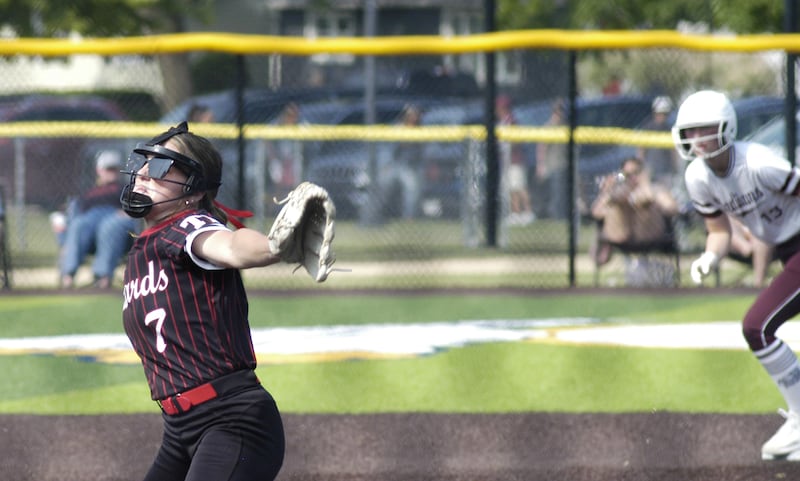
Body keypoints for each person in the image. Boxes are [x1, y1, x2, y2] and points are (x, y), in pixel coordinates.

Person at [119, 122, 285, 480]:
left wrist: (276, 245)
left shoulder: (189, 225)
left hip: (233, 421)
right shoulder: (142, 248)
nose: (145, 173)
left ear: (193, 189)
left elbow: (230, 245)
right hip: (179, 429)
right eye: (144, 162)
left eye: (162, 166)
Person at [673, 89, 800, 461]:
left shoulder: (759, 163)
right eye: (690, 132)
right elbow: (719, 232)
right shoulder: (697, 178)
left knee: (757, 326)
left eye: (705, 130)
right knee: (759, 327)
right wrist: (710, 259)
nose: (697, 140)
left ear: (727, 128)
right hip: (786, 251)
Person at [54, 150, 138, 289]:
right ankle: (67, 277)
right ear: (99, 170)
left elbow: (136, 210)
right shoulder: (89, 193)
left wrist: (128, 212)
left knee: (110, 226)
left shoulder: (126, 188)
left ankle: (103, 278)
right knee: (78, 225)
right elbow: (74, 214)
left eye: (115, 169)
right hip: (91, 220)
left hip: (115, 217)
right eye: (108, 169)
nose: (112, 172)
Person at [590, 156, 679, 281]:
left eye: (636, 173)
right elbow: (596, 212)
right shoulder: (618, 192)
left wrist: (646, 189)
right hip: (620, 236)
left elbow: (672, 208)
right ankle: (603, 252)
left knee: (644, 202)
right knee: (618, 203)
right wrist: (608, 193)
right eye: (627, 174)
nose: (632, 178)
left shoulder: (655, 189)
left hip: (649, 236)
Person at [496, 94, 534, 225]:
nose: (497, 110)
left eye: (500, 107)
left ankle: (529, 212)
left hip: (515, 159)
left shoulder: (511, 121)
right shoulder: (502, 121)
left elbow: (517, 141)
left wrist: (509, 146)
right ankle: (515, 213)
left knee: (520, 186)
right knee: (511, 188)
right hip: (506, 160)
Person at [384, 103, 423, 219]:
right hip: (395, 165)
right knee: (383, 183)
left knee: (412, 188)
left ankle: (409, 218)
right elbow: (389, 150)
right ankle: (378, 216)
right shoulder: (398, 127)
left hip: (411, 168)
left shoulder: (421, 130)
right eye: (410, 115)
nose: (413, 117)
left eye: (415, 115)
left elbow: (422, 154)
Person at [535, 98, 568, 219]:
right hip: (554, 165)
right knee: (556, 193)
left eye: (562, 110)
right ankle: (556, 216)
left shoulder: (564, 126)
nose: (561, 113)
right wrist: (541, 165)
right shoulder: (549, 127)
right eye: (558, 110)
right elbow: (541, 148)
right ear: (554, 112)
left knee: (563, 192)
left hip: (565, 164)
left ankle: (562, 215)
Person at [637, 96, 680, 189]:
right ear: (654, 113)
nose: (662, 116)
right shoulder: (648, 127)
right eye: (660, 113)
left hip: (665, 169)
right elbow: (642, 149)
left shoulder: (669, 129)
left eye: (665, 114)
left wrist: (675, 166)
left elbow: (673, 150)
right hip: (650, 168)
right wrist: (641, 166)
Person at [728, 215, 774, 288]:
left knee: (761, 240)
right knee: (726, 225)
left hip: (762, 240)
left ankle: (758, 284)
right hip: (739, 244)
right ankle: (746, 247)